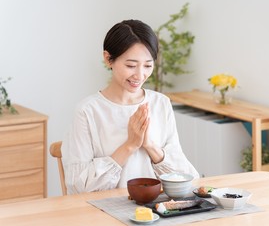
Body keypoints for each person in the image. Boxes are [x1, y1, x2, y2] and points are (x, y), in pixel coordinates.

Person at [61, 19, 199, 195]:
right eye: (131, 65)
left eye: (148, 65)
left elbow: (187, 177)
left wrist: (150, 146)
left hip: (156, 211)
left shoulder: (161, 103)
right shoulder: (88, 111)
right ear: (108, 58)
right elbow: (80, 186)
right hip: (103, 212)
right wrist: (130, 145)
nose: (140, 75)